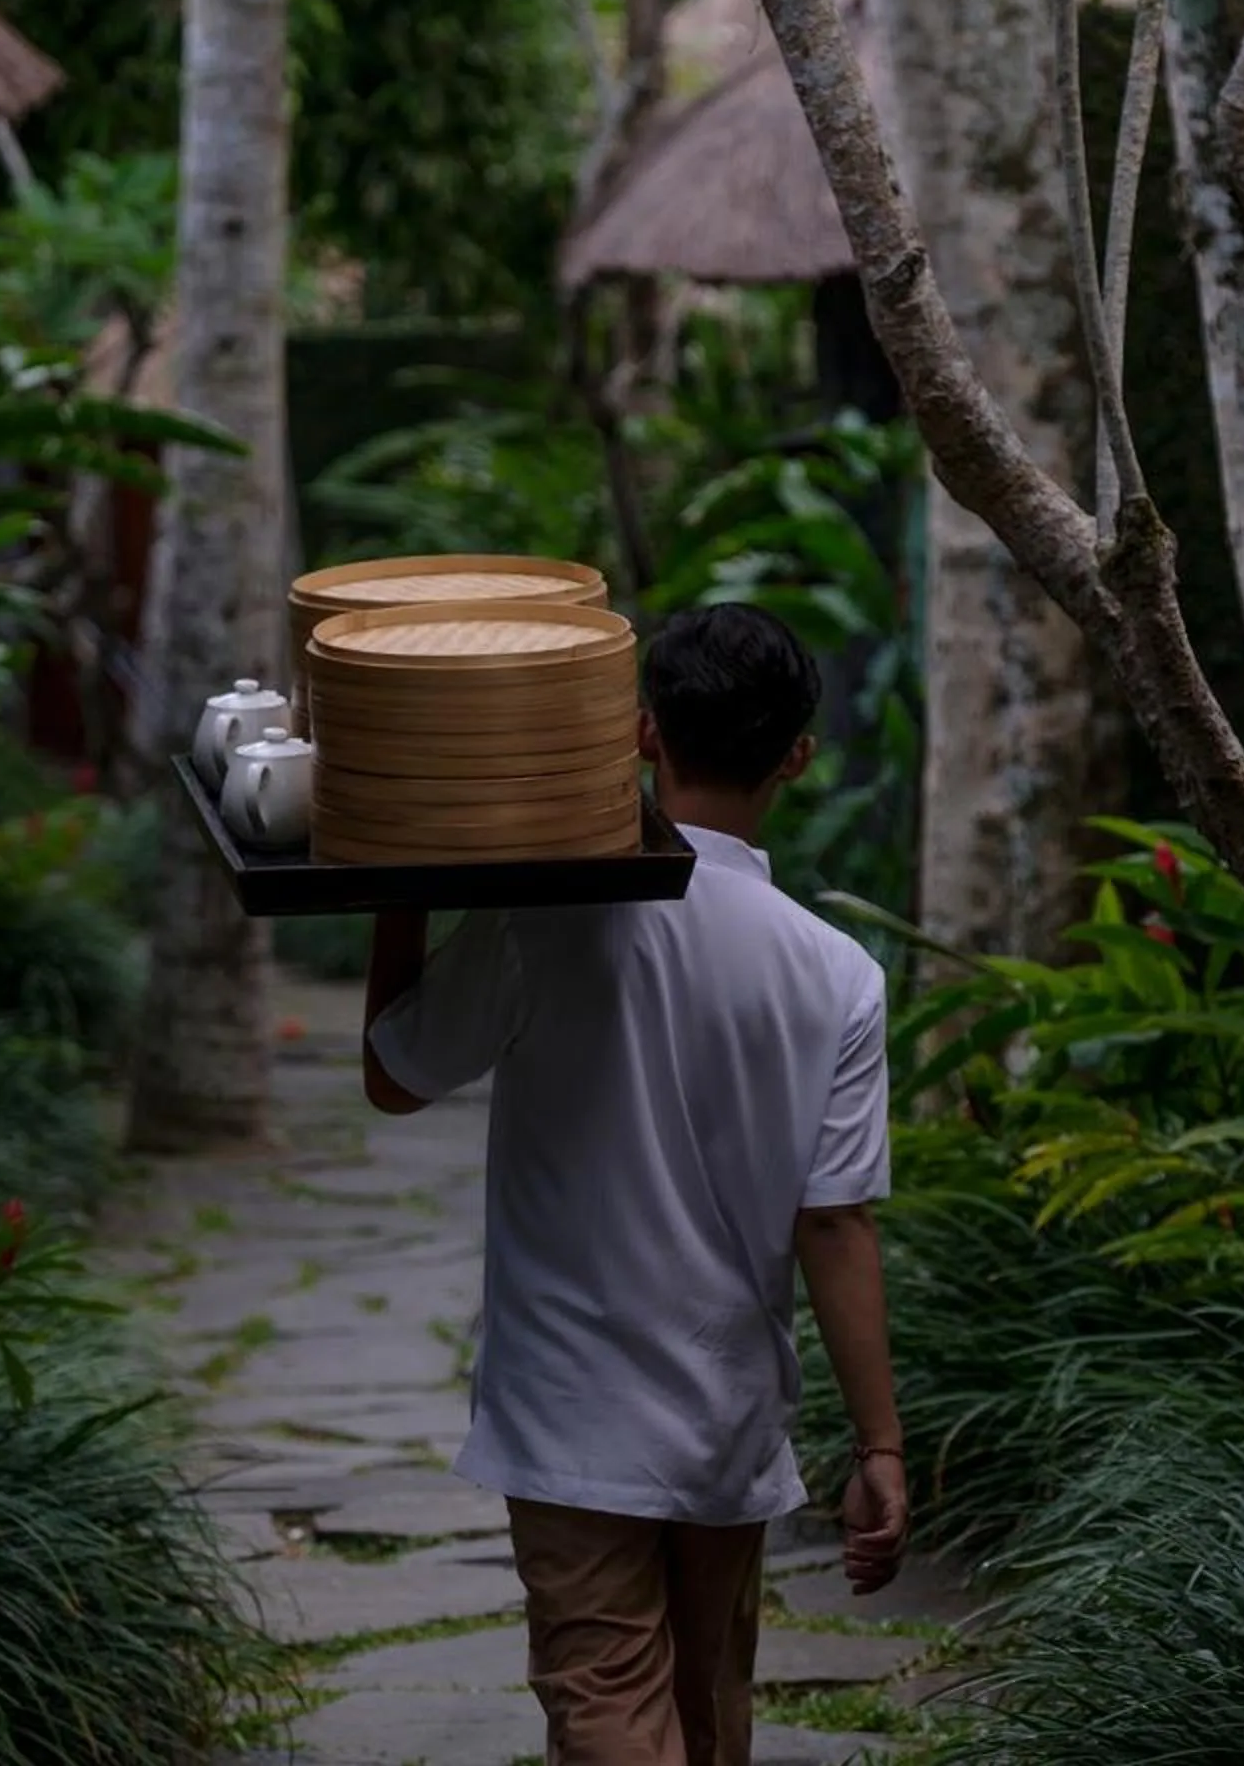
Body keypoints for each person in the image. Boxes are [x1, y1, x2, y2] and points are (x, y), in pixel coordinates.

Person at [359, 602, 909, 1766]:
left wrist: (403, 872)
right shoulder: (838, 975)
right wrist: (881, 1448)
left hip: (571, 1407)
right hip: (726, 1413)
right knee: (708, 1714)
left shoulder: (552, 917)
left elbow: (394, 1075)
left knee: (606, 1698)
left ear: (644, 731)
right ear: (797, 755)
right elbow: (836, 1223)